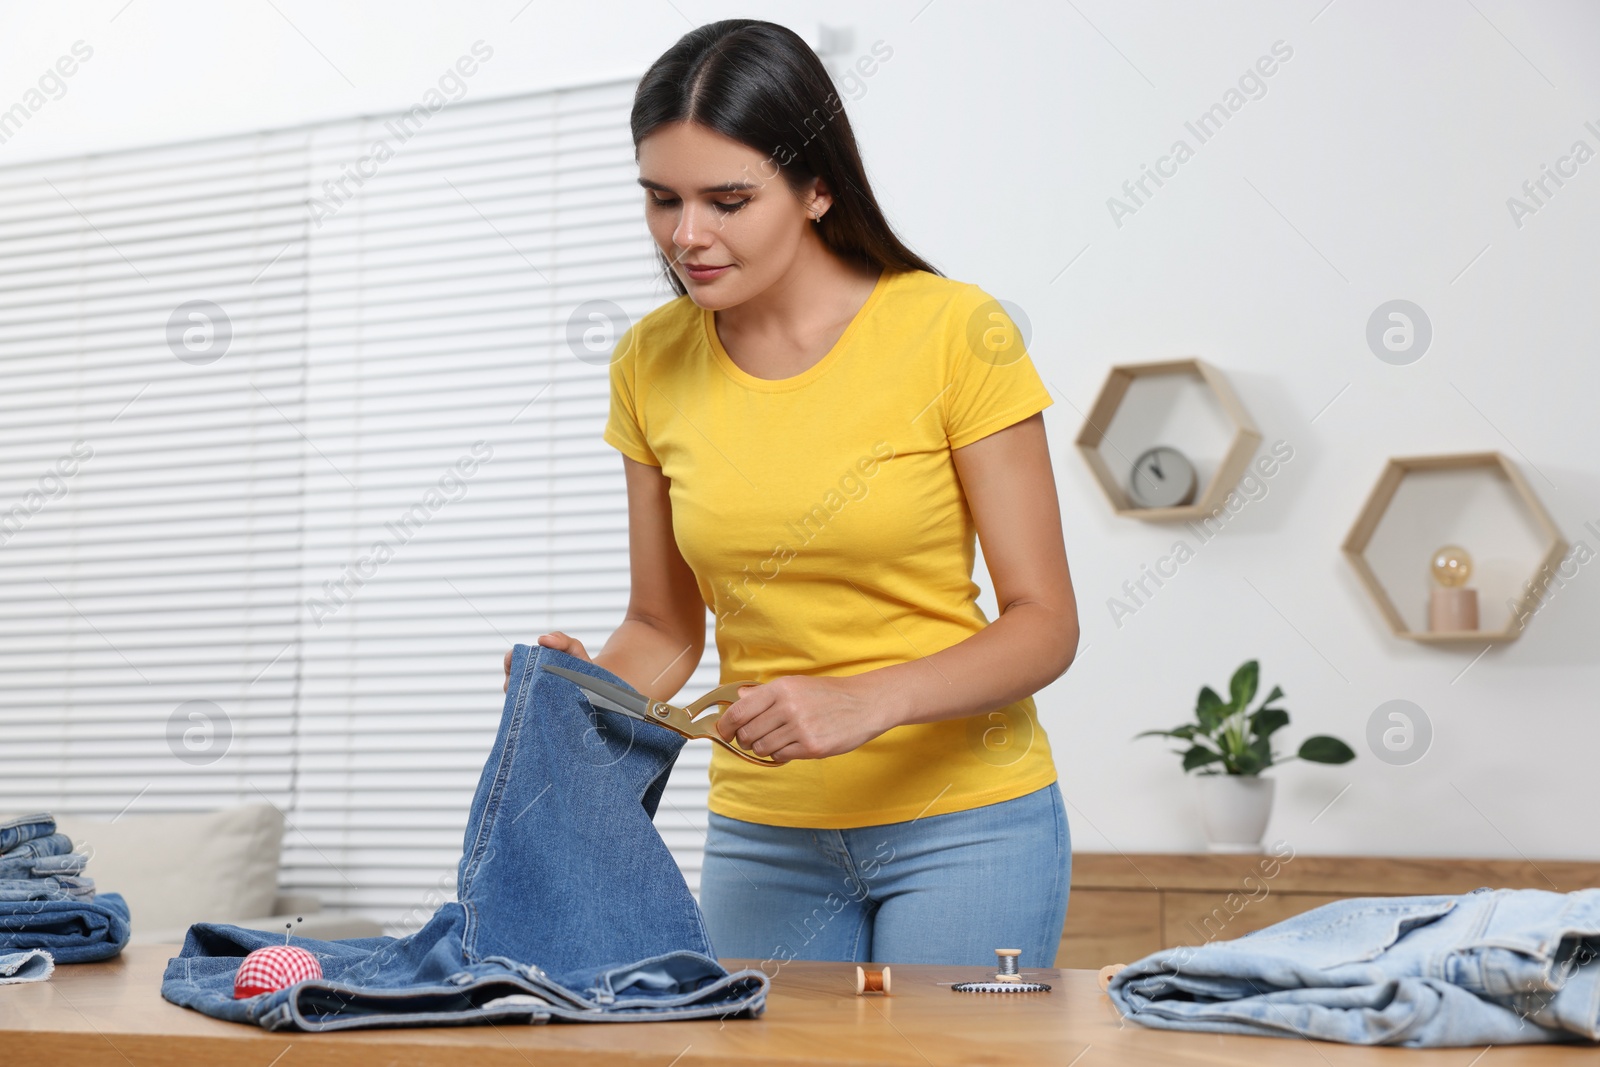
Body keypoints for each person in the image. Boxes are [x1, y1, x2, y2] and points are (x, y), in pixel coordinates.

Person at [503, 19, 1079, 970]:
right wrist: (583, 693)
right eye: (662, 199)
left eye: (728, 199)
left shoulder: (951, 331)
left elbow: (1045, 621)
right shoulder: (651, 361)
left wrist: (866, 701)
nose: (688, 236)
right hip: (764, 834)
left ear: (818, 187)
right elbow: (662, 626)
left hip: (968, 824)